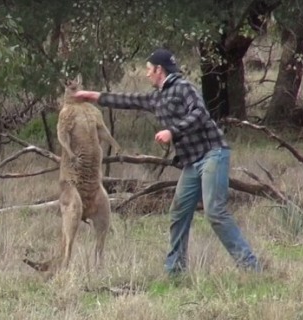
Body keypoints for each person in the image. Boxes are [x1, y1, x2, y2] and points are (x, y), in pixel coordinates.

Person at [73, 48, 260, 274]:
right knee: (179, 212)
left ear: (159, 70)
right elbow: (127, 100)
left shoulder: (184, 88)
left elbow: (200, 114)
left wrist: (172, 131)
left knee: (215, 211)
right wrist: (91, 96)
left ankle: (251, 267)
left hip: (213, 154)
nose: (146, 74)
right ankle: (175, 270)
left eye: (149, 70)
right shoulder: (157, 97)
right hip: (191, 162)